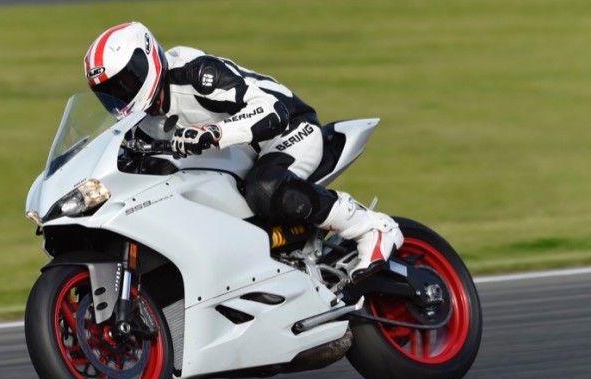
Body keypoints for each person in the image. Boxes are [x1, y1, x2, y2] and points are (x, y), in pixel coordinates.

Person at [83, 22, 403, 280]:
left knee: (265, 186)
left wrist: (215, 132)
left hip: (288, 129)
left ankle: (370, 227)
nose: (120, 95)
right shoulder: (140, 118)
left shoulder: (195, 74)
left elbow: (270, 108)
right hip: (240, 156)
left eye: (125, 82)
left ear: (146, 59)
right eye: (109, 92)